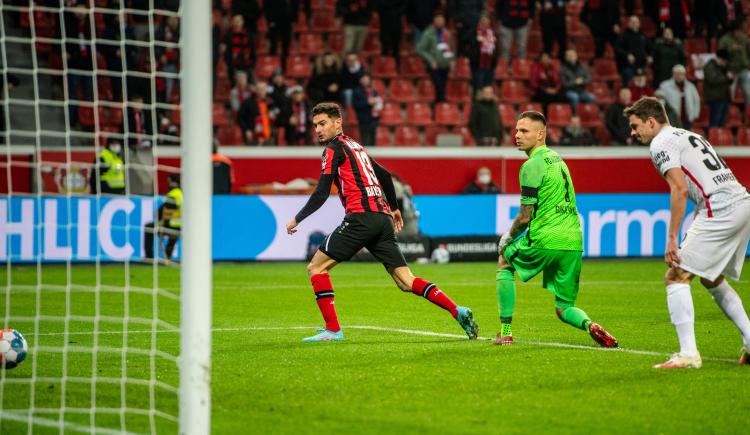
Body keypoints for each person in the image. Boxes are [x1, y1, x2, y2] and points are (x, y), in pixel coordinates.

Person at [286, 102, 479, 342]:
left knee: (316, 267)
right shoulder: (356, 147)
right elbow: (385, 175)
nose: (318, 129)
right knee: (406, 281)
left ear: (338, 123)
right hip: (382, 219)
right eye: (315, 125)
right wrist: (395, 208)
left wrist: (297, 218)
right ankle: (457, 310)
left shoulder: (333, 150)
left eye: (323, 123)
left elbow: (322, 192)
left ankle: (333, 330)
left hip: (361, 218)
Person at [624, 96, 750, 368]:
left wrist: (672, 238)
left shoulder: (660, 142)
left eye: (635, 126)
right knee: (711, 278)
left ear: (651, 121)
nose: (632, 133)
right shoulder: (688, 135)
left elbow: (679, 189)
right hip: (741, 202)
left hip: (720, 208)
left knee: (676, 275)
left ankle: (688, 354)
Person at [494, 111, 618, 348]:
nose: (517, 135)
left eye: (524, 131)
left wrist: (508, 237)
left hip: (545, 237)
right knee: (563, 308)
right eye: (517, 130)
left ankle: (506, 332)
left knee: (504, 261)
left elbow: (524, 216)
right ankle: (590, 325)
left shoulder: (532, 165)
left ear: (540, 135)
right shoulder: (558, 159)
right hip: (573, 241)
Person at [144, 173, 182, 263]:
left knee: (149, 227)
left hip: (171, 225)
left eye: (169, 182)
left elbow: (165, 209)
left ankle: (149, 258)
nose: (167, 184)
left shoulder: (173, 194)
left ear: (174, 183)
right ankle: (167, 256)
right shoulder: (182, 194)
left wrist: (159, 217)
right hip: (181, 225)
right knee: (173, 235)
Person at [417, 13, 455, 103]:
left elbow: (450, 48)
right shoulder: (428, 33)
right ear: (434, 21)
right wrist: (431, 60)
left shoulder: (446, 33)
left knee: (443, 86)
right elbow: (421, 49)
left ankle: (439, 104)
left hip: (445, 65)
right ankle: (439, 105)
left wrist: (451, 60)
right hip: (434, 65)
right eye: (439, 21)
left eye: (442, 21)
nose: (441, 23)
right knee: (439, 86)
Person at [657, 64, 700, 130]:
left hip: (687, 119)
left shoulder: (690, 86)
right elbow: (659, 97)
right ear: (673, 74)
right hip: (672, 119)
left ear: (684, 74)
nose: (679, 76)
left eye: (681, 74)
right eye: (676, 74)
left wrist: (695, 114)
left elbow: (696, 100)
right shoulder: (665, 85)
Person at [703, 49, 733, 128]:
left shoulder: (722, 67)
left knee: (722, 123)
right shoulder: (710, 66)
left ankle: (719, 139)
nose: (725, 63)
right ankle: (712, 138)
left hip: (724, 97)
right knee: (715, 122)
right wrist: (726, 77)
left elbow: (727, 81)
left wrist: (730, 78)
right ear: (720, 59)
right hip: (715, 98)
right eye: (724, 61)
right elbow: (712, 79)